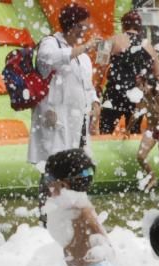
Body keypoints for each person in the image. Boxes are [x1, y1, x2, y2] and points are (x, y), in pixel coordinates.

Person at [28, 3, 103, 221]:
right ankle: (47, 216)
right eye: (81, 26)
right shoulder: (50, 43)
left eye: (86, 27)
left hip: (77, 123)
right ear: (70, 26)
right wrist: (84, 47)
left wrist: (96, 103)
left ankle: (75, 213)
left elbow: (87, 87)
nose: (84, 31)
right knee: (53, 168)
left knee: (78, 166)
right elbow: (48, 60)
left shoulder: (84, 58)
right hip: (55, 120)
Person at [42, 148, 120, 266]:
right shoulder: (78, 207)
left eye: (48, 180)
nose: (47, 186)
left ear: (63, 184)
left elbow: (78, 262)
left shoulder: (81, 215)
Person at [99, 10, 159, 135]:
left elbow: (100, 68)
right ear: (139, 26)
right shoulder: (150, 47)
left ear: (123, 25)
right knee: (134, 133)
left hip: (114, 93)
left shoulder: (109, 41)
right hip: (136, 94)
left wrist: (98, 86)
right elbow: (157, 75)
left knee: (105, 131)